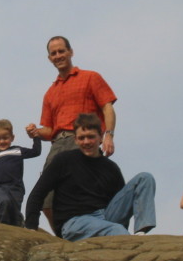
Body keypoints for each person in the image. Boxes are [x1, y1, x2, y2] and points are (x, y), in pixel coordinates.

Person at [26, 36, 117, 227]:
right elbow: (50, 130)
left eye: (61, 51)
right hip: (58, 145)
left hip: (82, 141)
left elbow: (107, 107)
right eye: (54, 53)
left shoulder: (90, 77)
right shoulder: (50, 93)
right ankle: (65, 240)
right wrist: (36, 132)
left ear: (70, 52)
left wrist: (109, 134)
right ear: (49, 58)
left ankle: (97, 229)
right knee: (46, 199)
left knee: (87, 193)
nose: (58, 55)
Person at [25, 113, 156, 241]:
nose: (86, 141)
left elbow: (120, 203)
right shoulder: (64, 160)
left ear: (100, 138)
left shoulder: (111, 168)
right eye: (81, 138)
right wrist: (31, 227)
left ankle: (141, 233)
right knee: (117, 231)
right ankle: (126, 240)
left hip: (106, 217)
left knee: (145, 178)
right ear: (76, 139)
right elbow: (38, 193)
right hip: (75, 222)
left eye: (91, 137)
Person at [0, 119, 41, 226]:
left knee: (14, 209)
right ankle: (3, 225)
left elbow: (36, 152)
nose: (2, 141)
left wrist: (36, 136)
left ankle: (18, 224)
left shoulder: (17, 150)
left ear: (12, 138)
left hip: (16, 187)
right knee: (5, 202)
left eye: (5, 138)